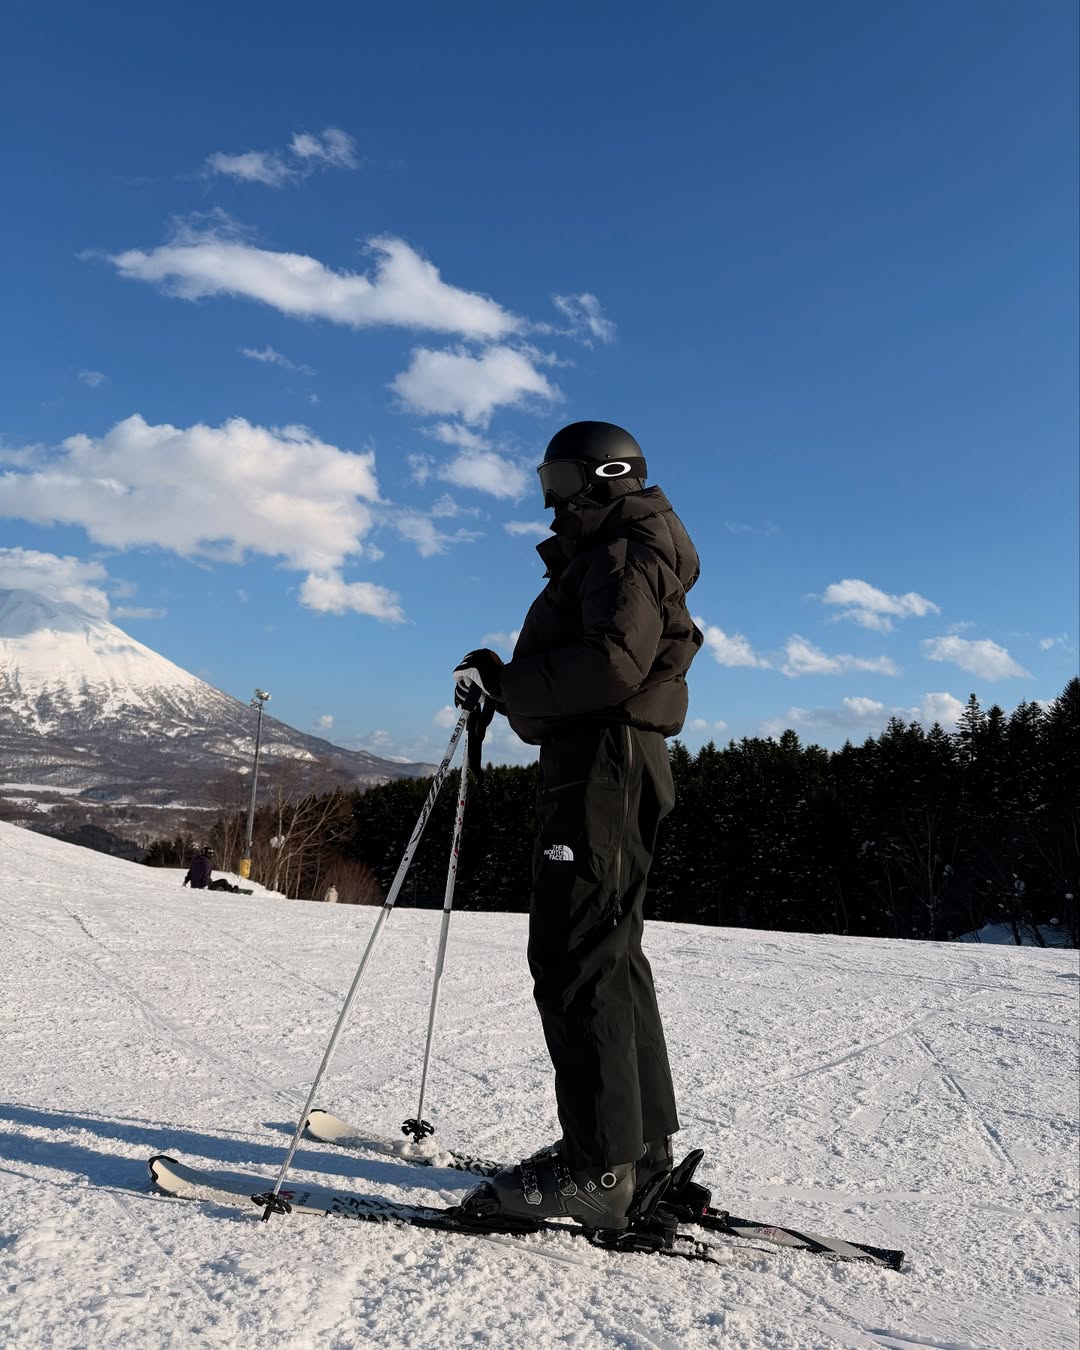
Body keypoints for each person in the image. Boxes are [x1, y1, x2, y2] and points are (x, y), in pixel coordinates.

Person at [452, 420, 703, 1231]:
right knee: (609, 957)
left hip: (602, 767)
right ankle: (637, 1154)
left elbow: (611, 664)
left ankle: (599, 1168)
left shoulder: (624, 551)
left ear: (600, 475)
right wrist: (509, 686)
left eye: (557, 479)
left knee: (576, 956)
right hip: (607, 762)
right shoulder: (621, 548)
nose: (548, 496)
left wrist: (510, 682)